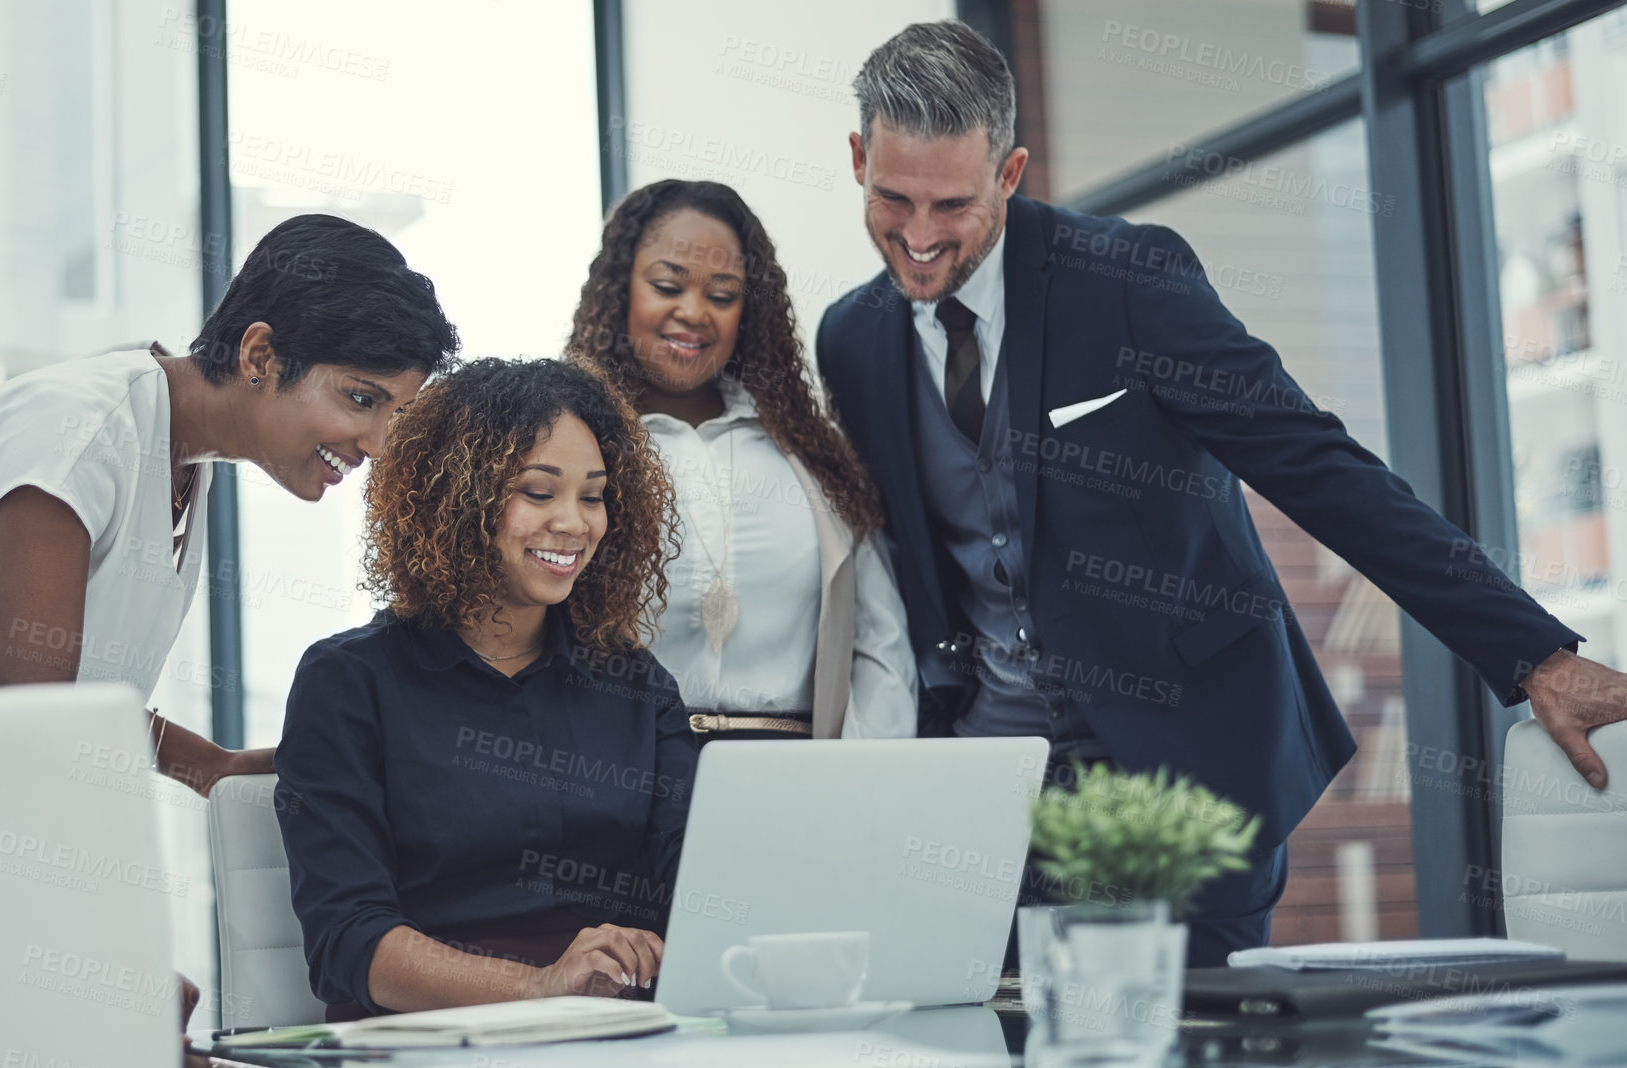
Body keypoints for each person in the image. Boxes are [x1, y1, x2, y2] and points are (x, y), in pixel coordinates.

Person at [816, 21, 1627, 966]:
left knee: (1198, 1038)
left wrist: (1532, 651)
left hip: (1184, 767)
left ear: (1009, 172)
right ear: (857, 158)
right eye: (892, 199)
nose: (917, 237)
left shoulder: (1126, 280)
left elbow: (1316, 465)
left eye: (950, 204)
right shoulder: (853, 341)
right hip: (985, 789)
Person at [0, 212, 459, 799]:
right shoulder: (84, 425)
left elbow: (65, 705)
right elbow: (36, 720)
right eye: (362, 399)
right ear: (261, 356)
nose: (375, 445)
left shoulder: (179, 456)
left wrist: (212, 765)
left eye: (396, 419)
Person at [275, 358, 694, 1016]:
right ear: (459, 497)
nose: (575, 522)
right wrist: (542, 986)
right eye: (537, 491)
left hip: (615, 1037)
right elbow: (347, 943)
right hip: (424, 1040)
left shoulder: (639, 686)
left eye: (592, 495)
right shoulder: (349, 683)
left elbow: (698, 897)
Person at [568, 179, 916, 742]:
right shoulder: (573, 447)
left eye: (723, 295)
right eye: (666, 285)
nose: (694, 312)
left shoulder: (810, 453)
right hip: (623, 782)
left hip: (795, 786)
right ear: (619, 291)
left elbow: (880, 643)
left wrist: (859, 783)